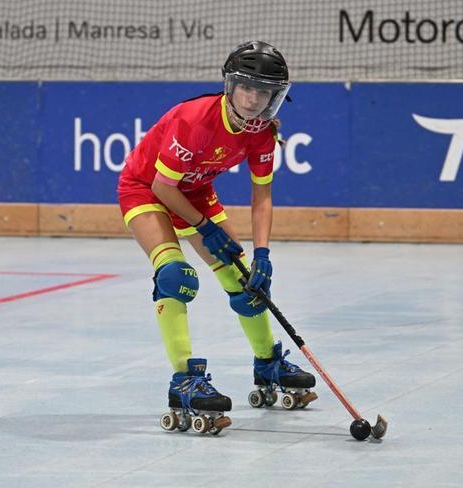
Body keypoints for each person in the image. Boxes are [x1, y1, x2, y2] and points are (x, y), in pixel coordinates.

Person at [117, 41, 317, 435]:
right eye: (247, 88)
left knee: (247, 282)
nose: (254, 99)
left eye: (264, 92)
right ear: (230, 85)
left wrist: (262, 253)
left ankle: (269, 363)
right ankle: (184, 381)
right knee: (176, 276)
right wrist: (206, 227)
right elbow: (162, 185)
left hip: (193, 193)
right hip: (147, 189)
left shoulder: (262, 132)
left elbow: (262, 195)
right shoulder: (194, 121)